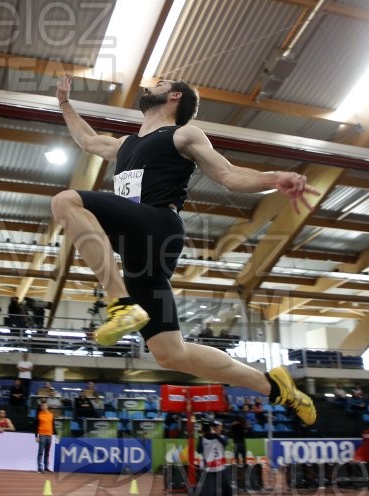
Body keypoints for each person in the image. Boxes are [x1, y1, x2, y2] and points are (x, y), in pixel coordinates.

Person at [51, 74, 317, 426]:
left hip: (159, 225)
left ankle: (120, 304)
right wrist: (64, 103)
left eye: (160, 82)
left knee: (66, 200)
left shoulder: (182, 133)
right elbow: (87, 140)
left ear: (174, 96)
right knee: (169, 353)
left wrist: (272, 179)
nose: (150, 85)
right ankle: (275, 388)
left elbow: (229, 175)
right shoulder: (126, 145)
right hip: (137, 247)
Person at [196, 422, 232, 496]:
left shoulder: (223, 437)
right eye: (215, 427)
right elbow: (199, 450)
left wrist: (216, 435)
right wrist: (201, 437)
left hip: (220, 468)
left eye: (219, 427)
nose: (217, 429)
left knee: (229, 495)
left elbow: (225, 442)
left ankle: (214, 491)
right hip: (209, 469)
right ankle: (197, 490)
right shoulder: (203, 439)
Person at [35, 401, 54, 473]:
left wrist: (56, 434)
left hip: (49, 435)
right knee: (40, 451)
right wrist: (36, 436)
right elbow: (36, 426)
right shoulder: (39, 415)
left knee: (47, 452)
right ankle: (40, 467)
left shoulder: (51, 414)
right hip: (42, 434)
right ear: (41, 407)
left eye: (45, 405)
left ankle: (46, 467)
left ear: (47, 406)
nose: (44, 407)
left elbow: (53, 424)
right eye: (43, 406)